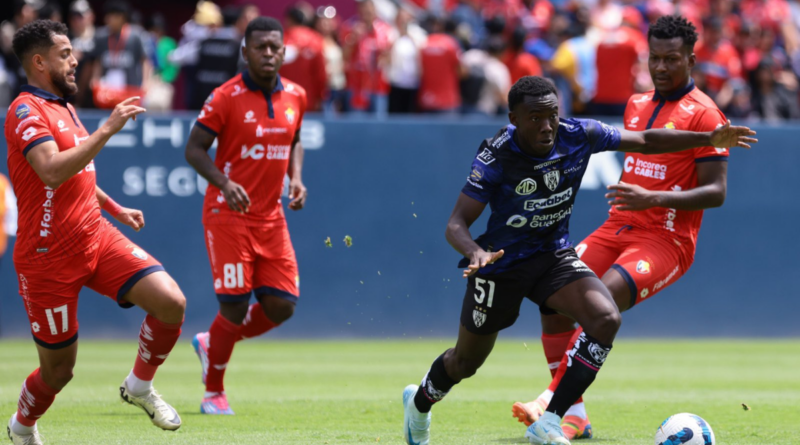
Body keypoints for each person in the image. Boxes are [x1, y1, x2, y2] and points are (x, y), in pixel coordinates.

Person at [401, 75, 756, 445]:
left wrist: (707, 138)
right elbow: (456, 223)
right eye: (535, 117)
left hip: (553, 255)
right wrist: (474, 251)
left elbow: (647, 141)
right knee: (465, 363)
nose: (547, 126)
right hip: (501, 264)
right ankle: (420, 402)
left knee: (605, 318)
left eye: (552, 114)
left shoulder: (578, 133)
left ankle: (552, 419)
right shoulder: (496, 154)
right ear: (514, 118)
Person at [511, 15, 751, 440]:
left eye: (671, 59)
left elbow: (716, 193)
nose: (661, 67)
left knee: (600, 302)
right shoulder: (636, 104)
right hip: (618, 225)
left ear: (692, 60)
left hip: (666, 239)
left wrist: (654, 198)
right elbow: (643, 156)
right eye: (654, 58)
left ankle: (551, 402)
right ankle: (576, 415)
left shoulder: (706, 115)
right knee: (552, 297)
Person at [4, 20, 187, 444]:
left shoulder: (63, 105)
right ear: (39, 61)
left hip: (95, 235)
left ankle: (139, 386)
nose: (75, 60)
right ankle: (22, 427)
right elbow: (51, 170)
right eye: (65, 53)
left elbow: (78, 168)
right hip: (46, 257)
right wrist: (107, 128)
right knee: (59, 372)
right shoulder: (25, 110)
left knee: (171, 303)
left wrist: (114, 207)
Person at [184, 16, 308, 415]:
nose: (268, 54)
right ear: (246, 52)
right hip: (228, 214)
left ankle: (211, 342)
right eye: (260, 47)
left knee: (282, 306)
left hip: (271, 216)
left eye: (275, 47)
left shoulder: (296, 96)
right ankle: (213, 392)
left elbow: (296, 140)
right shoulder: (225, 96)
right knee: (234, 306)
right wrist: (223, 182)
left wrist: (297, 178)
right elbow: (194, 149)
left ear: (284, 51)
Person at [87, 0, 152, 109]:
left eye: (111, 16)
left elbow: (145, 60)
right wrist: (95, 78)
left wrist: (146, 83)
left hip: (130, 89)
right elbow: (98, 60)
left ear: (121, 17)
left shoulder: (136, 36)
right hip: (107, 91)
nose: (107, 20)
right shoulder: (101, 36)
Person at [281, 5, 328, 112]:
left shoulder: (280, 39)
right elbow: (321, 74)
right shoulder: (316, 39)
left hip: (283, 100)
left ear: (289, 20)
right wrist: (320, 97)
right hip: (309, 100)